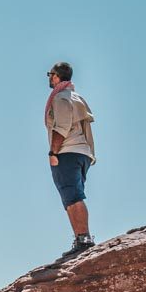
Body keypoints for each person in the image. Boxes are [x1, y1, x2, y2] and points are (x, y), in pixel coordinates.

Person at [44, 61, 97, 258]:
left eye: (50, 74)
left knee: (72, 197)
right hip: (82, 153)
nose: (49, 78)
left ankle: (83, 239)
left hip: (67, 152)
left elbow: (62, 127)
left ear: (56, 76)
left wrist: (53, 153)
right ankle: (81, 238)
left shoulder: (60, 98)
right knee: (73, 195)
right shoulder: (77, 97)